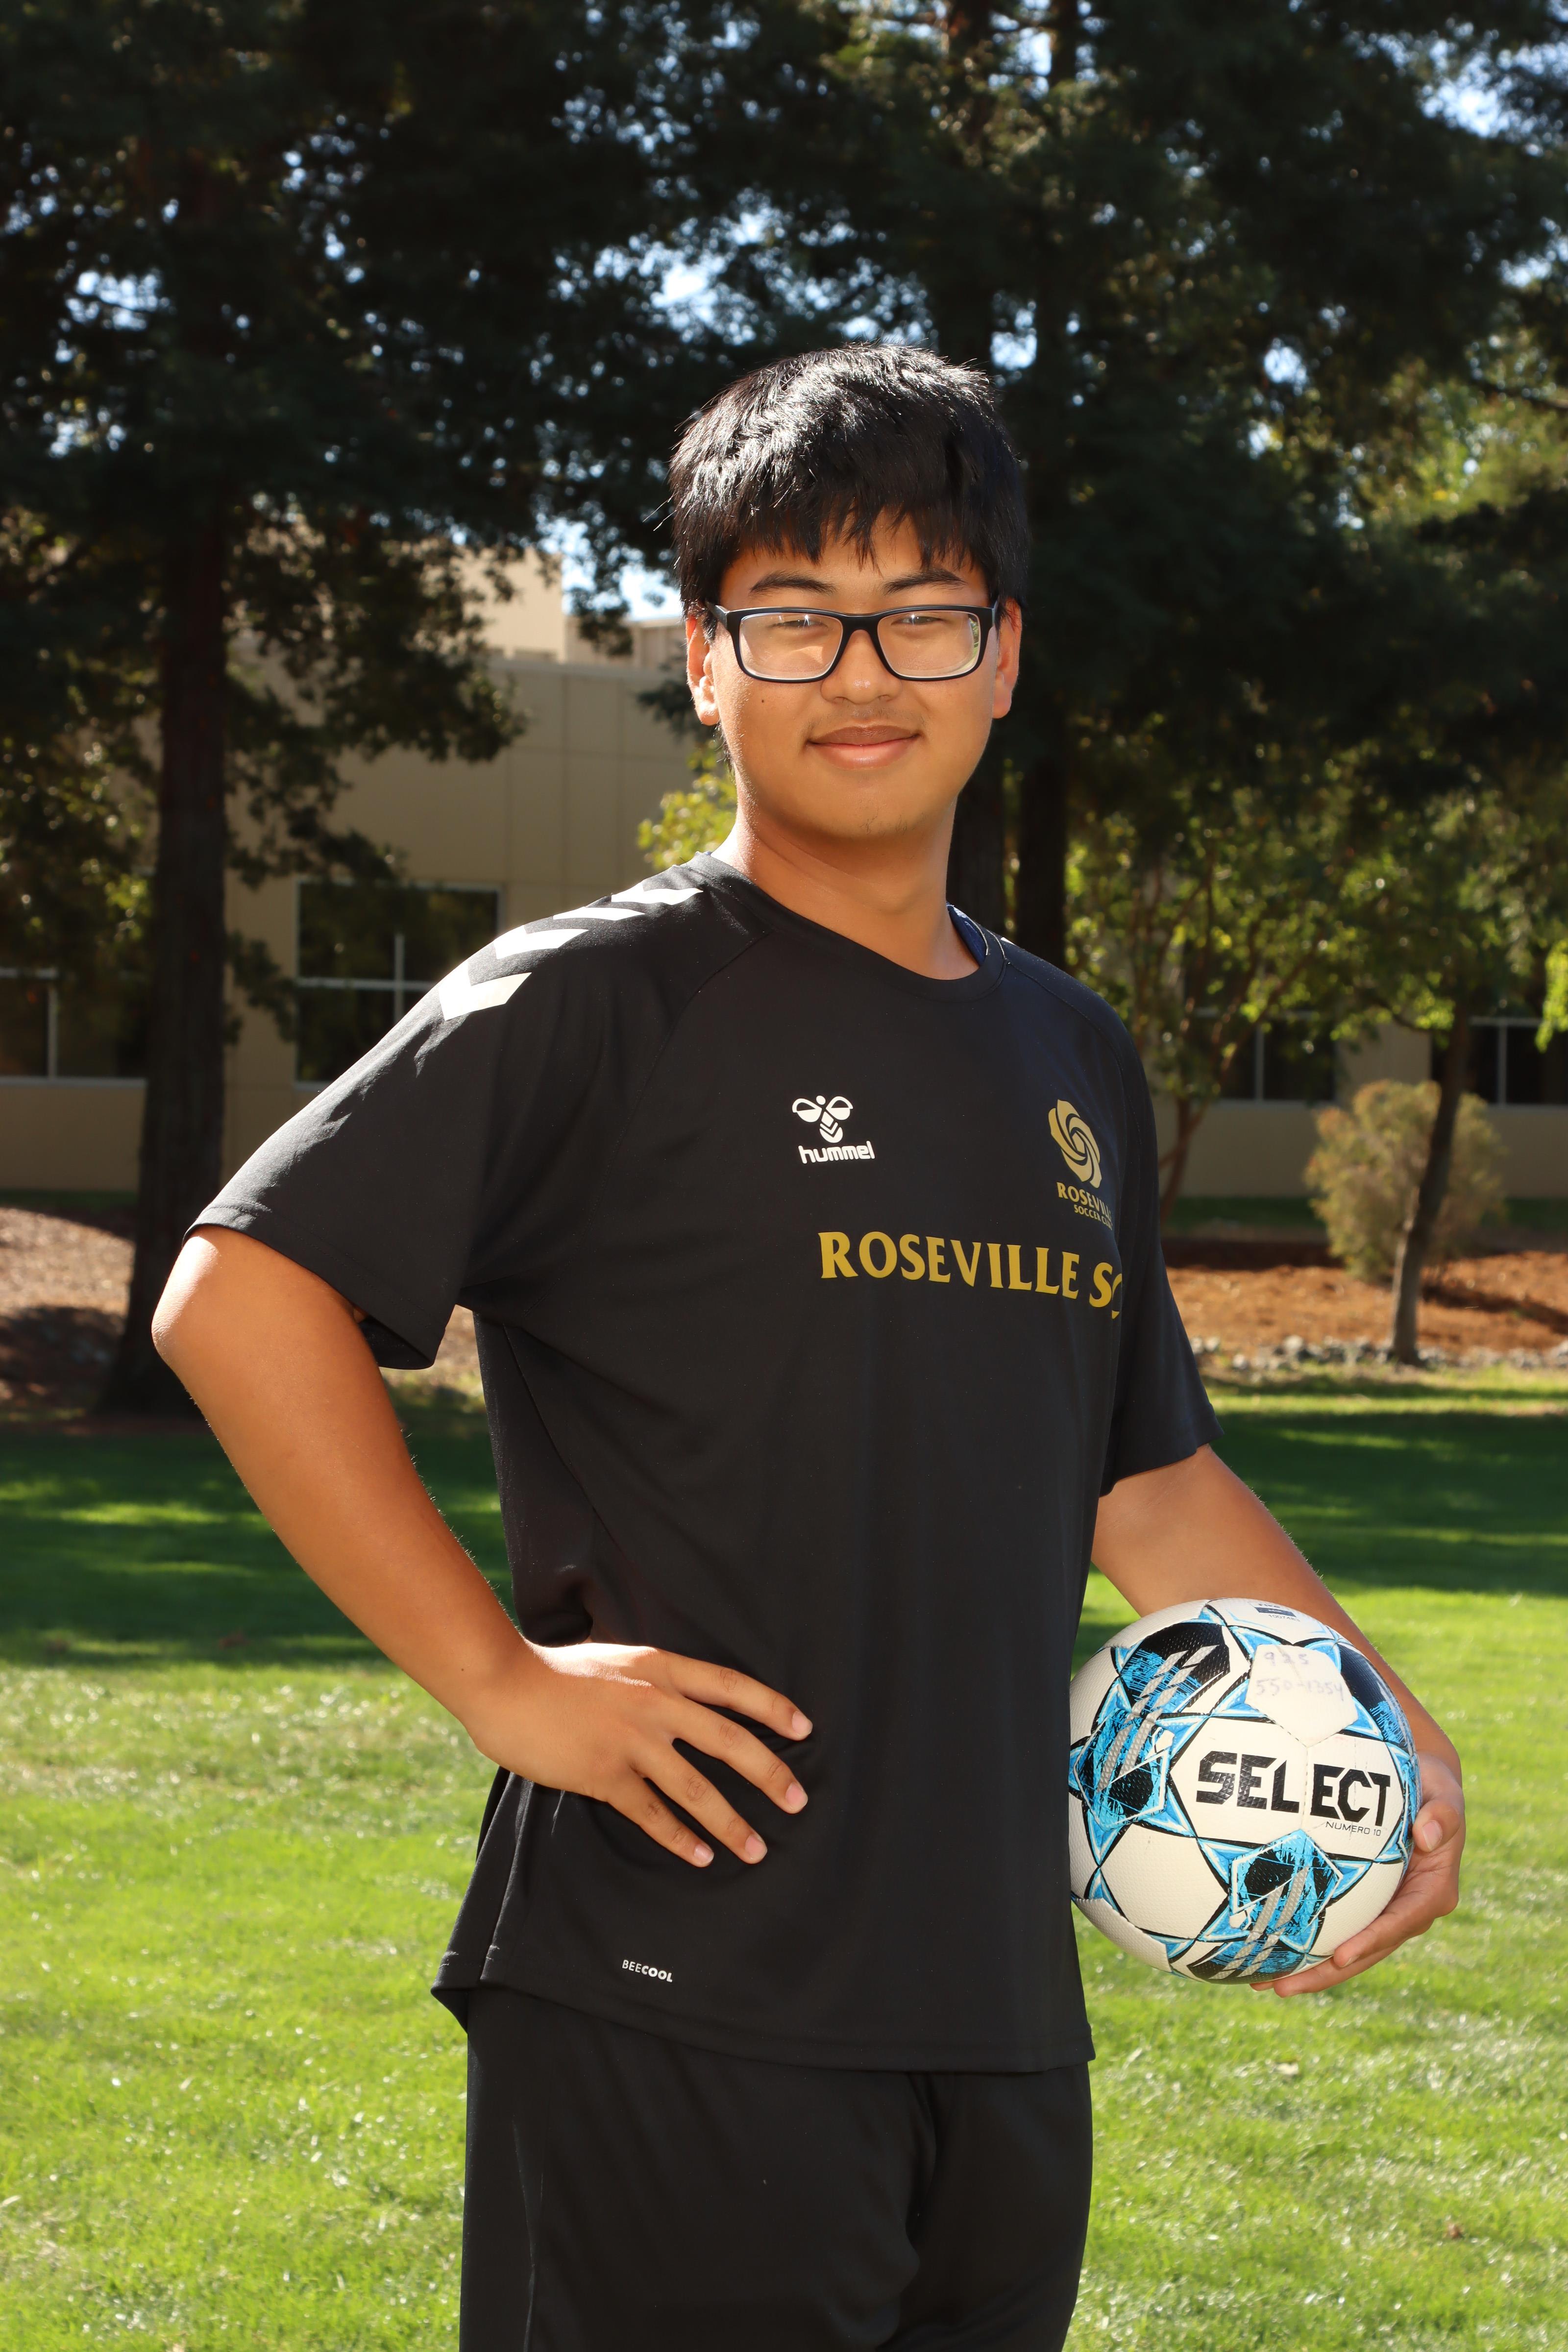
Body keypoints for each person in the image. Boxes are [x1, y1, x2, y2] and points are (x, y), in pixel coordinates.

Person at [153, 344, 1464, 2352]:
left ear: (1004, 657)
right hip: (678, 1990)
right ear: (704, 660)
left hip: (999, 2013)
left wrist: (1379, 1727)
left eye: (924, 612)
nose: (863, 671)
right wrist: (500, 1682)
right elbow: (240, 1296)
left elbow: (1142, 1477)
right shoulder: (594, 1000)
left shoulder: (1068, 1051)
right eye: (793, 615)